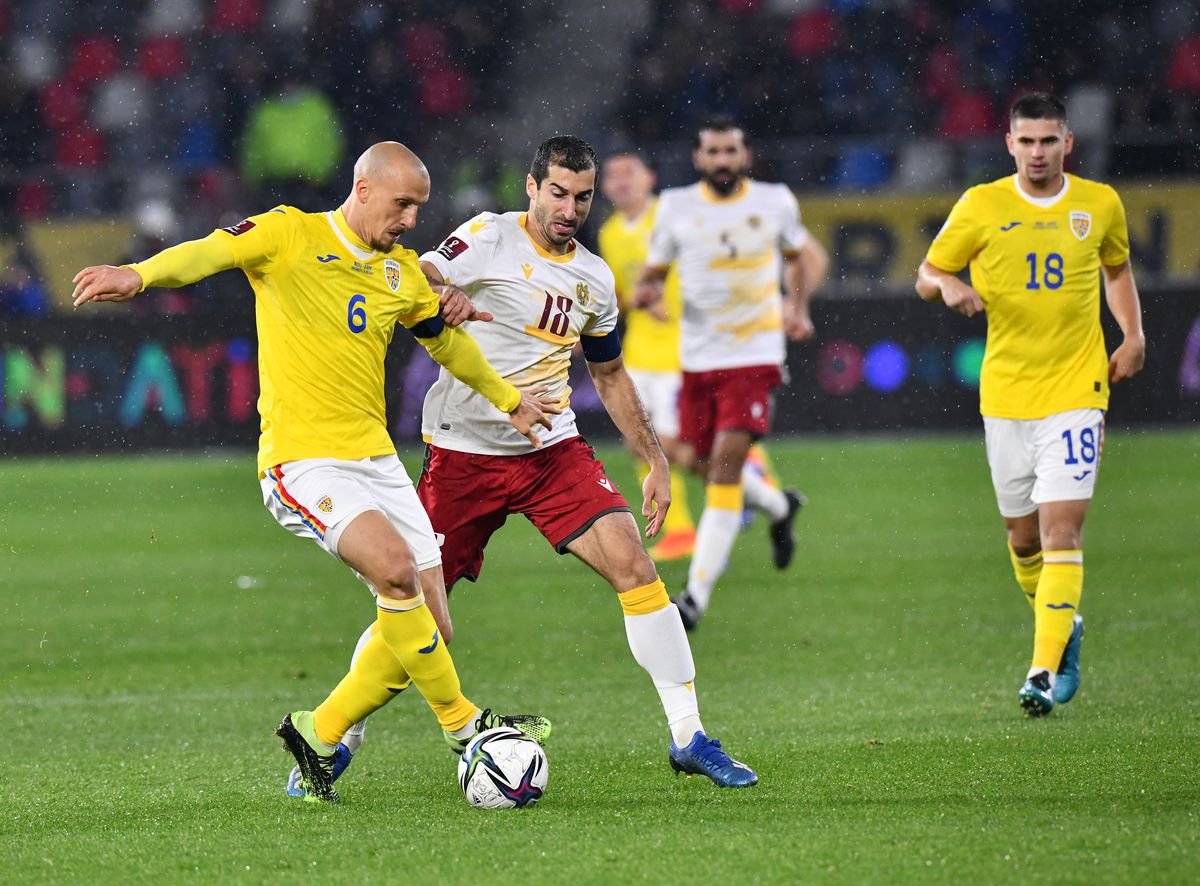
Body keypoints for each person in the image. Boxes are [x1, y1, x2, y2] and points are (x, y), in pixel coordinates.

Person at [71, 141, 555, 803]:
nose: (413, 219)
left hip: (377, 460)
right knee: (393, 570)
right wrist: (139, 275)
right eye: (402, 203)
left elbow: (447, 342)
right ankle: (464, 726)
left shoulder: (403, 273)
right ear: (363, 187)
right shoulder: (288, 233)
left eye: (419, 205)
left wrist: (509, 401)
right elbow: (207, 252)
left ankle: (318, 732)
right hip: (302, 459)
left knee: (431, 628)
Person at [297, 135, 759, 790]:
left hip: (551, 452)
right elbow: (415, 272)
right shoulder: (486, 238)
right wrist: (443, 296)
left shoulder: (594, 279)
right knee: (413, 605)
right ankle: (339, 738)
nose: (571, 209)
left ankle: (690, 736)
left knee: (633, 563)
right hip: (463, 452)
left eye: (584, 197)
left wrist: (653, 458)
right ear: (533, 189)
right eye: (560, 194)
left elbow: (610, 373)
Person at [915, 93, 1146, 717]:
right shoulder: (982, 204)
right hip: (1006, 394)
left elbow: (1116, 271)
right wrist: (951, 285)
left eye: (1049, 141)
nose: (1038, 152)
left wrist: (1134, 333)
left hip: (1076, 390)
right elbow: (926, 273)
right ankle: (1062, 626)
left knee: (1062, 529)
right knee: (1023, 543)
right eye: (1028, 141)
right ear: (1009, 144)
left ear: (1068, 143)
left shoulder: (1099, 203)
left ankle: (1041, 671)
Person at [634, 115, 828, 632]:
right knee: (692, 458)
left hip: (754, 353)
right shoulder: (675, 207)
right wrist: (647, 294)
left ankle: (694, 597)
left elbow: (795, 259)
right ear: (699, 159)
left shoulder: (775, 201)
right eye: (713, 152)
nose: (723, 161)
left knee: (722, 469)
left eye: (731, 151)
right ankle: (777, 505)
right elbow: (653, 273)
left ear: (745, 156)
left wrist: (798, 306)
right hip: (698, 360)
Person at [597, 150, 696, 561]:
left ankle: (748, 485)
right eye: (613, 176)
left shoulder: (673, 218)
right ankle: (679, 529)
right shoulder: (609, 233)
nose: (620, 182)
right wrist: (637, 301)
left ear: (649, 178)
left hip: (681, 347)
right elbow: (617, 297)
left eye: (628, 173)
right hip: (638, 349)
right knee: (638, 442)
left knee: (673, 444)